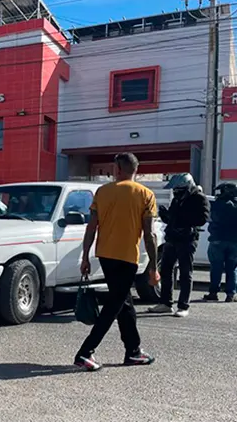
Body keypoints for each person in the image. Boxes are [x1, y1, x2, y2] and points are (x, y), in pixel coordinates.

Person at [75, 152, 158, 372]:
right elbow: (150, 234)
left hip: (105, 255)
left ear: (117, 169)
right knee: (115, 304)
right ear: (136, 170)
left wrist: (85, 256)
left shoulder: (102, 192)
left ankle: (133, 351)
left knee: (124, 302)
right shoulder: (146, 194)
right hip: (127, 257)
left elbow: (91, 227)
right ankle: (85, 352)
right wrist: (153, 266)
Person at [149, 173, 209, 317]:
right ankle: (166, 303)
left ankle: (183, 306)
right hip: (172, 238)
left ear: (187, 186)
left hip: (187, 239)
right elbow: (172, 217)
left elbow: (203, 218)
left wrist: (182, 220)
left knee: (185, 273)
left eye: (179, 189)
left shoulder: (199, 198)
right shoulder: (177, 199)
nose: (176, 192)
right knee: (166, 270)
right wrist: (165, 215)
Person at [204, 182, 237, 302]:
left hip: (217, 239)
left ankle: (213, 293)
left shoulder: (218, 204)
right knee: (232, 268)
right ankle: (231, 294)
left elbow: (211, 218)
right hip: (234, 241)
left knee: (216, 268)